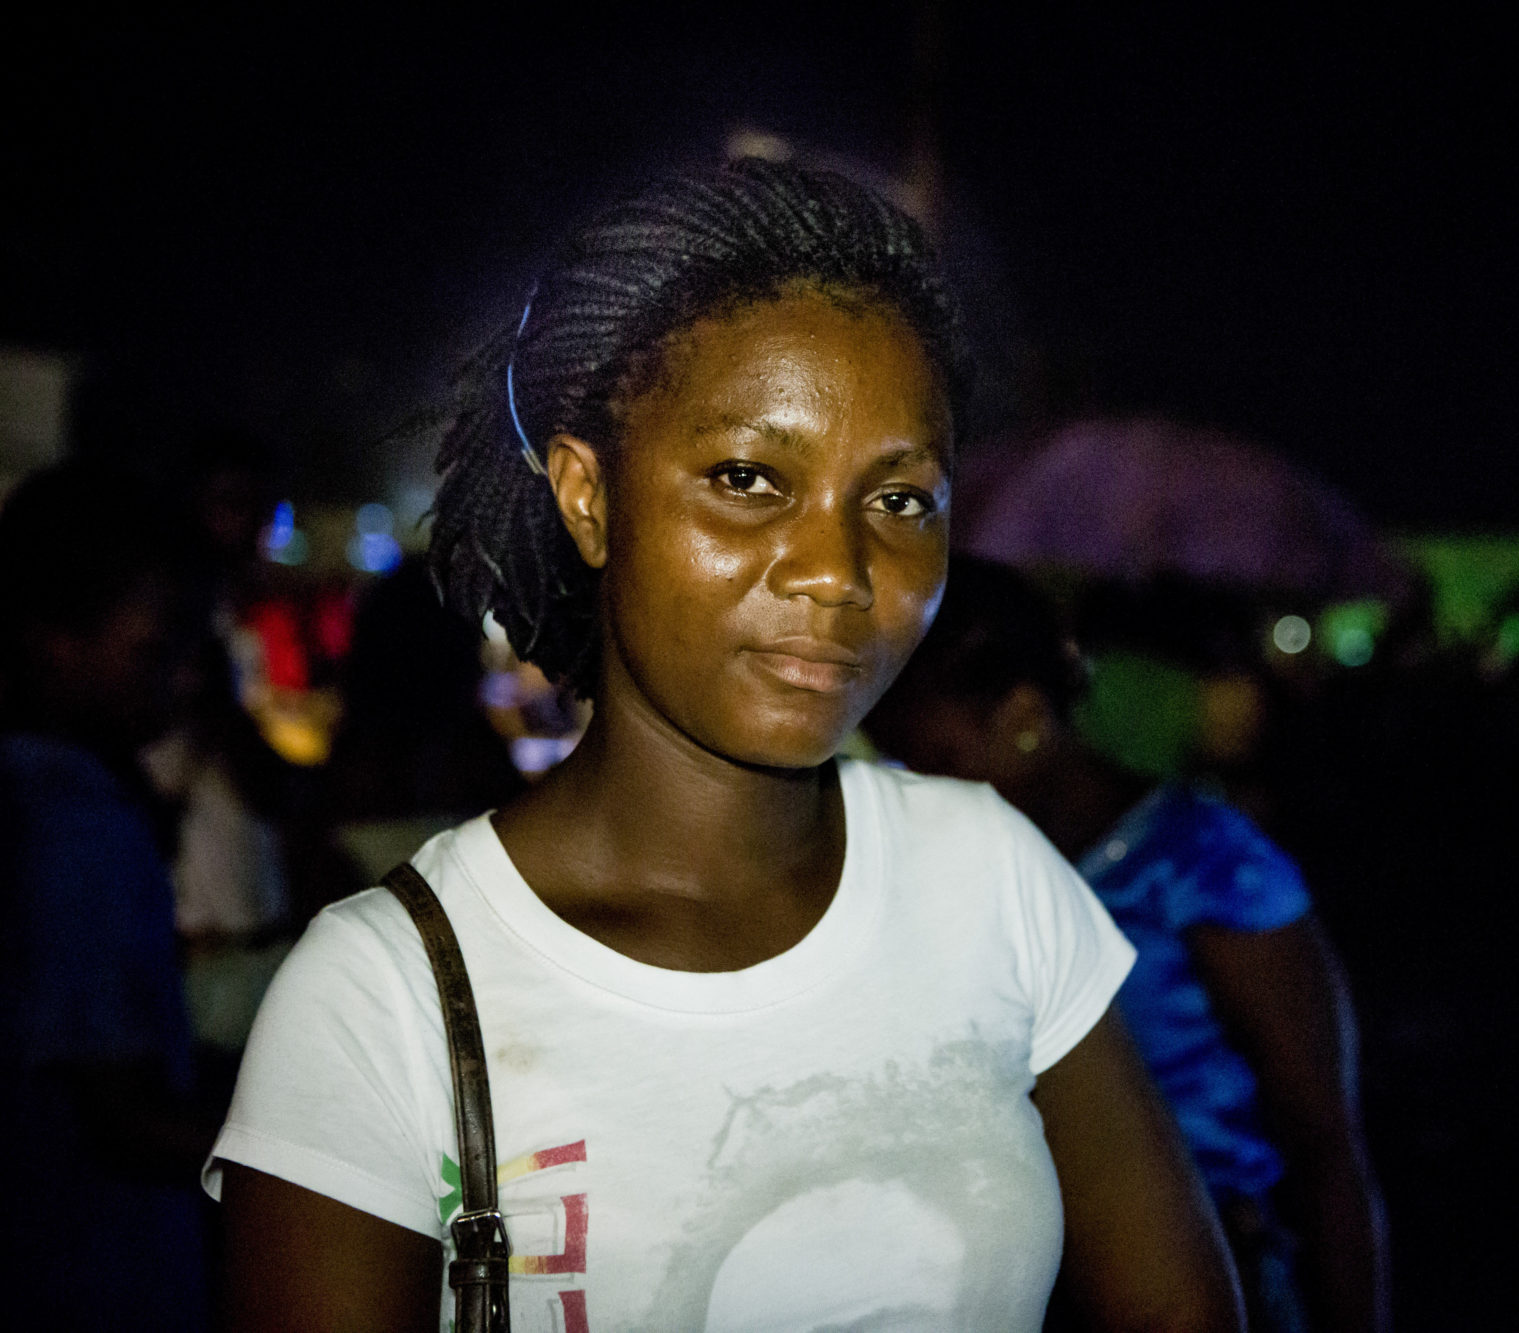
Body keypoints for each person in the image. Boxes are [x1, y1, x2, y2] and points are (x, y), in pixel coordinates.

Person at [208, 160, 1242, 1332]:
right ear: (588, 498)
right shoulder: (381, 996)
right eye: (748, 478)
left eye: (899, 500)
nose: (838, 572)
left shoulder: (988, 878)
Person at [867, 558, 1388, 1333]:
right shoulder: (954, 872)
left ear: (1024, 715)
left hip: (1218, 1275)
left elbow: (1325, 1146)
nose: (917, 789)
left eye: (936, 762)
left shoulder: (1208, 865)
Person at [0, 464, 215, 1330]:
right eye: (154, 651)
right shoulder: (72, 817)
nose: (178, 680)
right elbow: (120, 1114)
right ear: (54, 636)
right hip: (95, 1273)